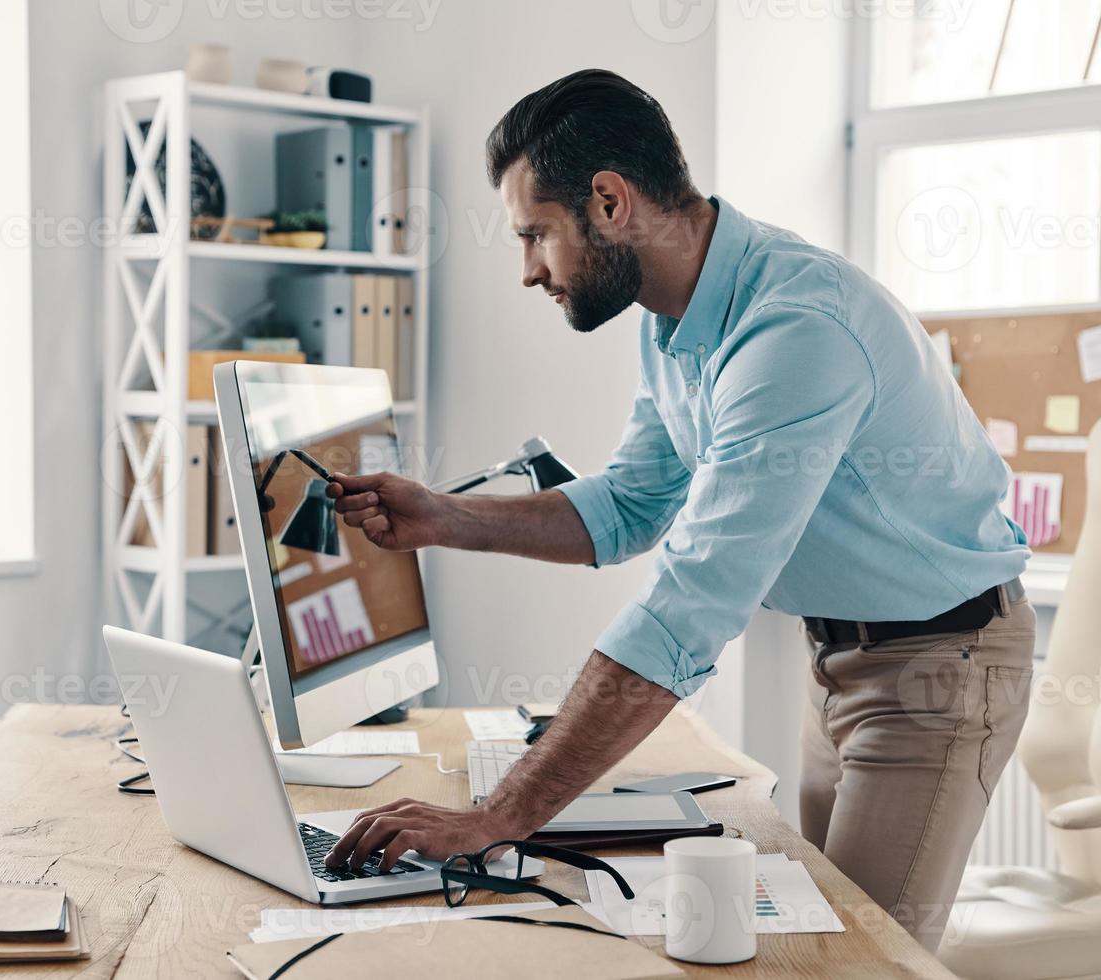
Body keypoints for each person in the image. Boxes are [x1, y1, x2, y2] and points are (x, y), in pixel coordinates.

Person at [322, 68, 1033, 951]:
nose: (528, 270)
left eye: (535, 234)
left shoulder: (795, 330)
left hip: (941, 663)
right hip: (840, 659)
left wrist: (497, 815)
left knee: (859, 961)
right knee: (808, 943)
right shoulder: (677, 320)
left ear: (610, 202)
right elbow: (628, 504)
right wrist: (444, 518)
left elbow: (689, 604)